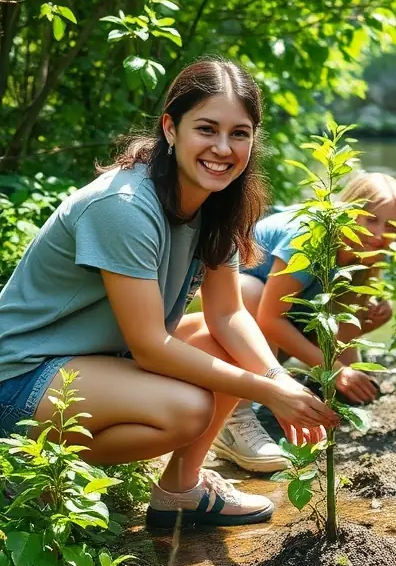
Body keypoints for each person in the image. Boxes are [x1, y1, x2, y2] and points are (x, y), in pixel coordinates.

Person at [0, 59, 335, 527]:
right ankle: (25, 472)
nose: (223, 148)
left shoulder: (217, 203)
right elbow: (150, 347)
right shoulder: (124, 206)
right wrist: (266, 392)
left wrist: (278, 379)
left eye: (239, 133)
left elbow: (229, 315)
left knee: (229, 345)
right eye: (206, 129)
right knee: (187, 410)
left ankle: (180, 490)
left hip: (91, 368)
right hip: (19, 377)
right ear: (170, 128)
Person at [207, 172, 396, 472]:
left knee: (358, 309)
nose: (380, 233)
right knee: (252, 293)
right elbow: (269, 318)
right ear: (350, 211)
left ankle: (308, 385)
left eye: (391, 226)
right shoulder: (311, 235)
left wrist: (350, 375)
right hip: (228, 316)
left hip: (286, 317)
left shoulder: (368, 251)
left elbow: (344, 314)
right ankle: (236, 418)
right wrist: (336, 370)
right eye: (371, 219)